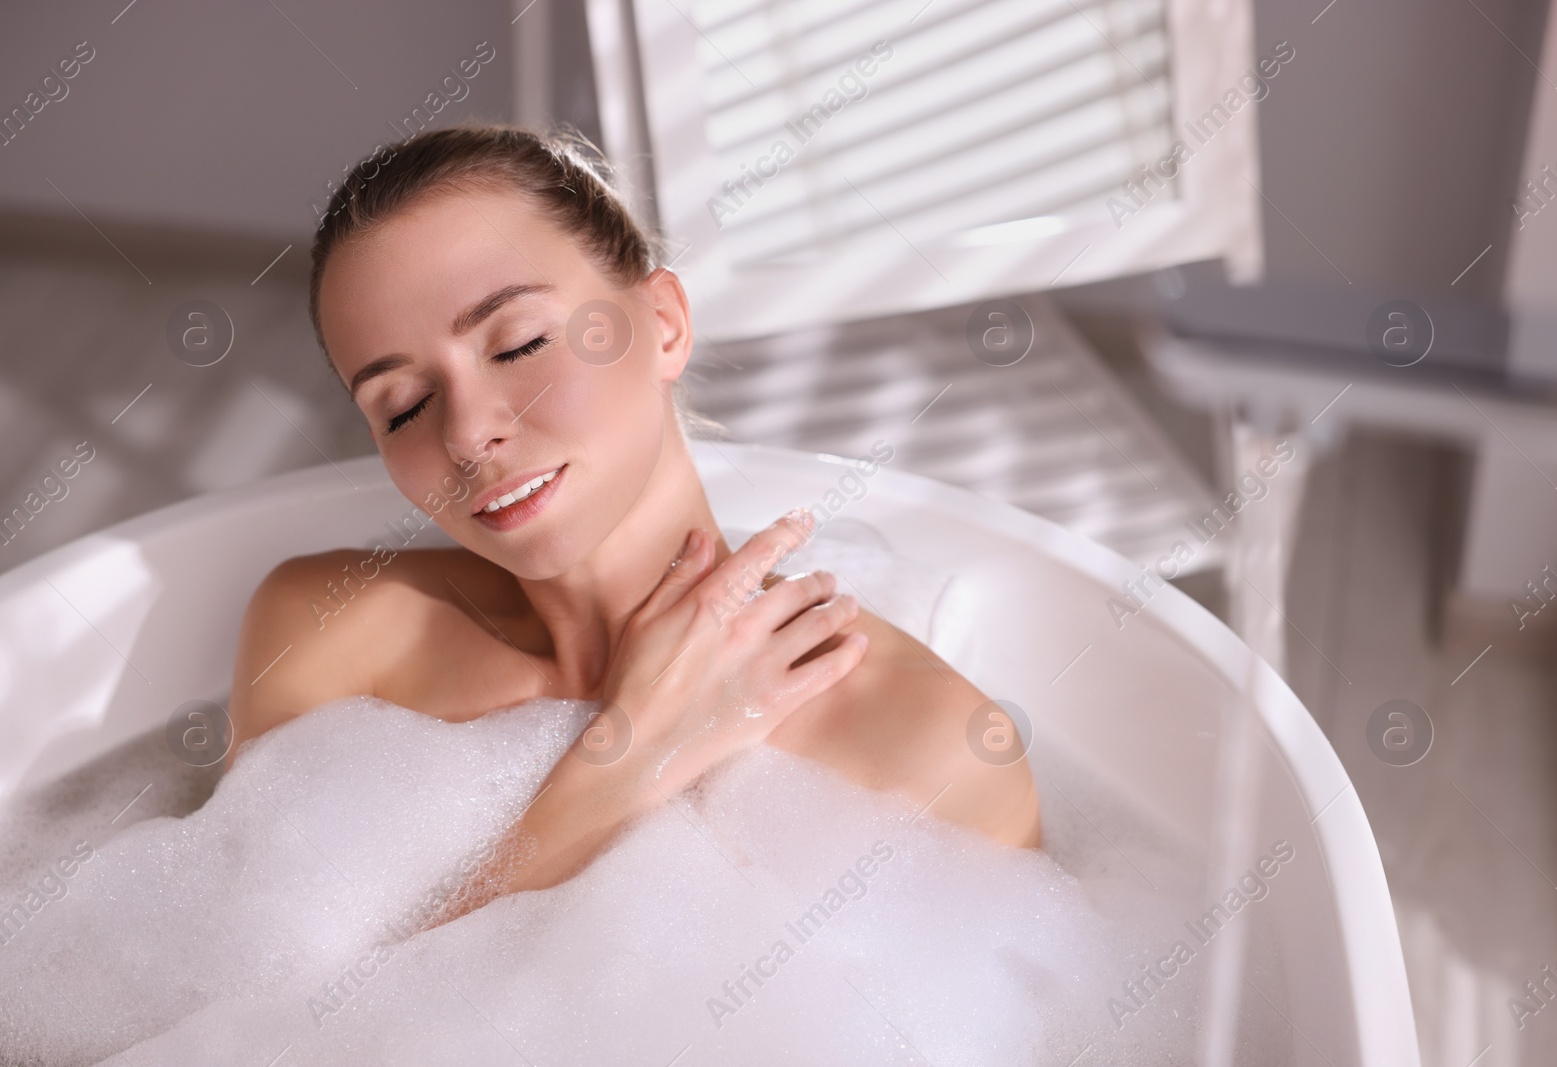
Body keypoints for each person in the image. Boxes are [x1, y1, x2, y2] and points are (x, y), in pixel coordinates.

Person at [227, 123, 1039, 893]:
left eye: (518, 344)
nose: (468, 436)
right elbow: (253, 1026)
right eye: (402, 406)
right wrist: (629, 758)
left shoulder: (928, 749)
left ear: (663, 324)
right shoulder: (326, 635)